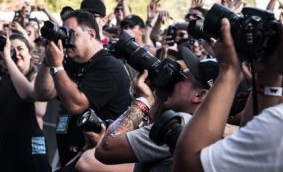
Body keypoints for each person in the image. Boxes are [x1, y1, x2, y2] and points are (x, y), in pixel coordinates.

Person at [173, 0, 283, 172]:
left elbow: (187, 165)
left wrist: (230, 71)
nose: (280, 34)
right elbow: (251, 148)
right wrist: (268, 79)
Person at [89, 49, 222, 172]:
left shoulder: (180, 125)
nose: (174, 80)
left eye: (181, 77)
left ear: (199, 95)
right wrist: (159, 97)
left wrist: (144, 100)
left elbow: (106, 148)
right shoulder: (205, 127)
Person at [34, 9, 131, 166]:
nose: (67, 39)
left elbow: (76, 105)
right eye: (64, 33)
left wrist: (57, 66)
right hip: (70, 156)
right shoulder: (71, 63)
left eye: (72, 34)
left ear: (91, 34)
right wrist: (48, 60)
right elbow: (42, 93)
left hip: (97, 162)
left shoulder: (109, 66)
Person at [0, 33, 51, 172]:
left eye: (20, 48)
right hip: (5, 147)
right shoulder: (0, 80)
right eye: (11, 50)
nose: (16, 54)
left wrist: (7, 59)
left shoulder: (35, 78)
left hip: (31, 146)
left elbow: (28, 94)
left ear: (30, 53)